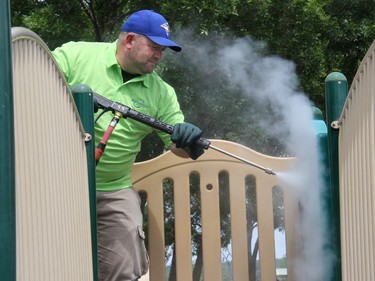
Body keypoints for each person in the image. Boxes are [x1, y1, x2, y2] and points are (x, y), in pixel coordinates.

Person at [52, 9, 204, 281]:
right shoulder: (76, 56)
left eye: (164, 50)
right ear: (130, 40)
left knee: (126, 271)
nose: (159, 55)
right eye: (155, 47)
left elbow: (178, 148)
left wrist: (186, 140)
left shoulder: (162, 93)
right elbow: (29, 82)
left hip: (113, 190)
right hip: (52, 181)